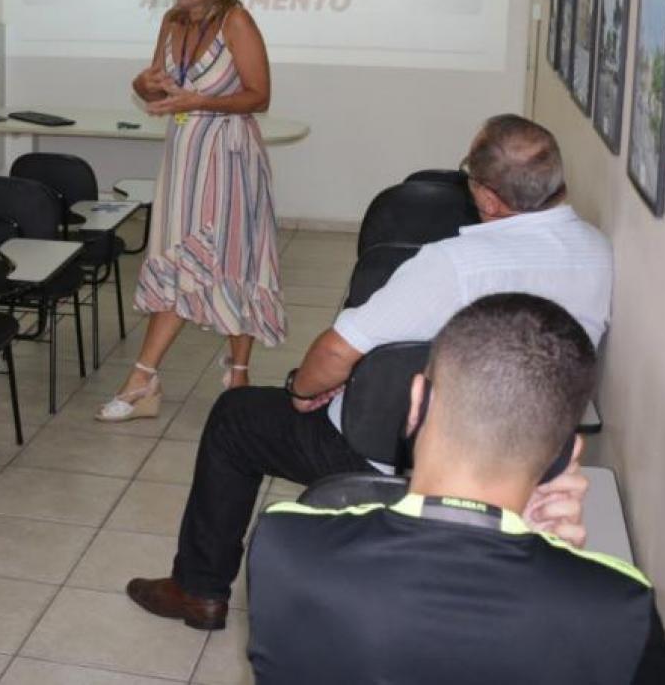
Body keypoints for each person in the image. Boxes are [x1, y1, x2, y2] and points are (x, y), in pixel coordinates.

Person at [127, 114, 607, 631]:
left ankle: (199, 589)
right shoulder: (597, 253)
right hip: (535, 459)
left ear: (488, 199)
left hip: (404, 455)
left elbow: (334, 355)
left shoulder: (453, 263)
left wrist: (300, 389)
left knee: (235, 416)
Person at [247, 294, 665, 684]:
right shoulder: (620, 609)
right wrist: (565, 567)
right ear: (566, 453)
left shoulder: (285, 547)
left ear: (416, 403)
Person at [99, 0, 285, 423]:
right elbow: (155, 83)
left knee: (230, 257)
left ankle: (222, 372)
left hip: (228, 155)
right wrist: (144, 85)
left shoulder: (236, 21)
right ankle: (152, 380)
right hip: (184, 155)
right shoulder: (172, 21)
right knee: (182, 255)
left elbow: (258, 96)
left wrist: (196, 102)